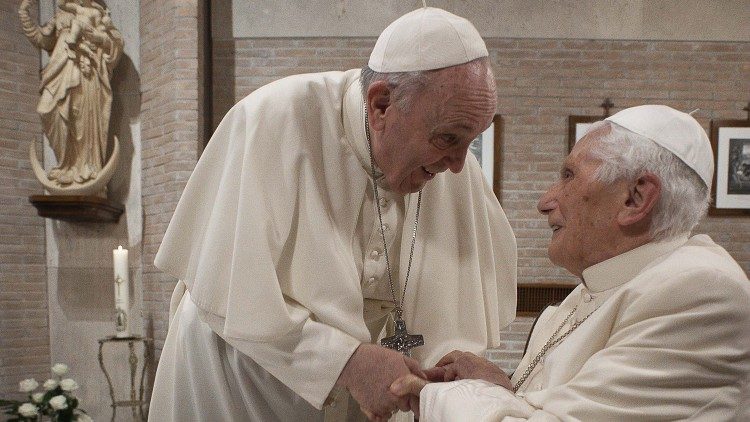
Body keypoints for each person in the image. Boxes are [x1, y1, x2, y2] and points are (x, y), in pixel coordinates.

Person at [149, 7, 517, 422]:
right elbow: (227, 291)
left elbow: (455, 318)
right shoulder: (273, 119)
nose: (457, 165)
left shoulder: (455, 171)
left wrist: (451, 367)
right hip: (239, 385)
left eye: (470, 141)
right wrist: (346, 361)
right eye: (448, 138)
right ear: (381, 105)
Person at [391, 105, 750, 420]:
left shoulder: (698, 293)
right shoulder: (597, 287)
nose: (545, 201)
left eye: (569, 176)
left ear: (636, 197)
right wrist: (502, 387)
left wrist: (433, 396)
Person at [18, 0, 123, 186]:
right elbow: (43, 39)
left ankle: (84, 168)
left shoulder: (95, 13)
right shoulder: (59, 16)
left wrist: (95, 36)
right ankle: (65, 165)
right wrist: (25, 15)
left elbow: (115, 43)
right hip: (58, 71)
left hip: (85, 74)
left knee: (81, 119)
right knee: (46, 110)